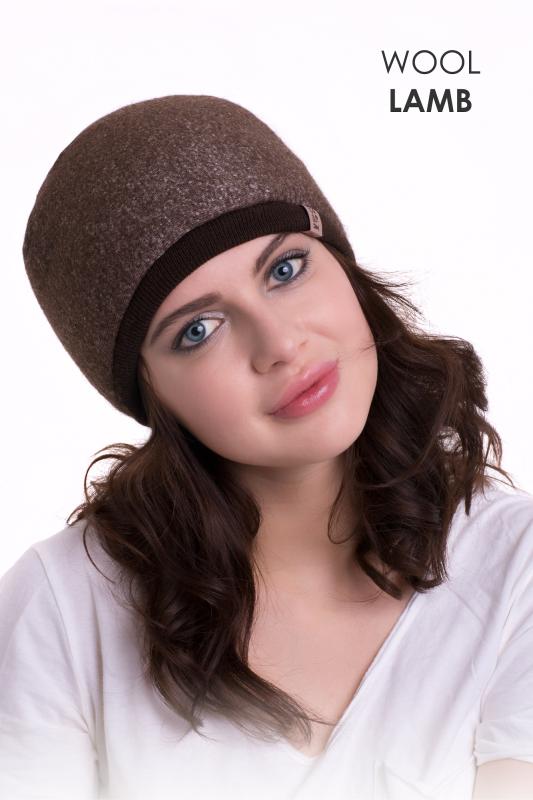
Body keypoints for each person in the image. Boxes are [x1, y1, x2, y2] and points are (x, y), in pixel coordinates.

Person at [1, 94, 532, 800]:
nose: (280, 344)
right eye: (198, 330)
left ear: (341, 265)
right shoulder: (63, 608)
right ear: (150, 393)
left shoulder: (514, 567)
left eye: (285, 269)